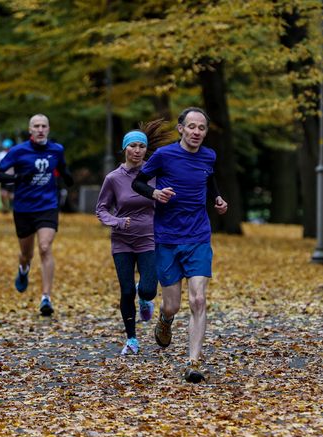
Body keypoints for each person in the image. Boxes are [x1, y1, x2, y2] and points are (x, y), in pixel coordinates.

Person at [132, 107, 228, 383]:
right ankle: (165, 318)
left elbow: (209, 180)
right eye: (192, 127)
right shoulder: (164, 156)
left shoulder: (209, 155)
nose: (197, 132)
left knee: (198, 299)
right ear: (181, 129)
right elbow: (139, 182)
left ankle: (193, 362)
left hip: (198, 236)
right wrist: (155, 192)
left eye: (202, 128)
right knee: (172, 305)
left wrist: (217, 200)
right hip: (167, 238)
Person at [96, 120, 169, 356]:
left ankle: (145, 298)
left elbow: (167, 199)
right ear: (125, 149)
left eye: (141, 146)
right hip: (122, 240)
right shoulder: (113, 178)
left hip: (149, 237)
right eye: (132, 146)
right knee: (126, 291)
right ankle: (132, 339)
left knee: (147, 290)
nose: (137, 151)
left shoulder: (154, 174)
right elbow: (102, 209)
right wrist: (116, 222)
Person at [0, 114, 73, 316]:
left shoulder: (56, 150)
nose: (40, 129)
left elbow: (63, 169)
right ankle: (23, 268)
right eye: (36, 126)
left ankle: (46, 297)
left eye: (44, 126)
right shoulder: (18, 151)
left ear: (48, 129)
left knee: (45, 247)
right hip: (24, 208)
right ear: (30, 130)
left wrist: (68, 178)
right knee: (27, 254)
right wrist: (18, 177)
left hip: (47, 206)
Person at [0, 138, 15, 213]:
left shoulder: (14, 155)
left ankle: (11, 207)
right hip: (4, 177)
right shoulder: (0, 155)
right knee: (2, 194)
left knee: (11, 195)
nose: (7, 149)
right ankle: (4, 207)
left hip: (11, 177)